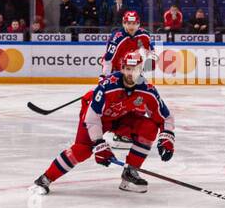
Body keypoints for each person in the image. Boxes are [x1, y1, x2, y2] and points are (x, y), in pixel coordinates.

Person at [30, 51, 174, 196]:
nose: (131, 73)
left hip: (121, 117)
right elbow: (92, 118)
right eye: (128, 69)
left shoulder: (148, 90)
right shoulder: (107, 86)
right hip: (96, 118)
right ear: (122, 68)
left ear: (141, 69)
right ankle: (45, 179)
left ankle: (130, 173)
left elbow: (165, 117)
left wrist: (167, 138)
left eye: (136, 69)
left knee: (148, 128)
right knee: (82, 150)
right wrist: (99, 144)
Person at [101, 10, 154, 77]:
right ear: (124, 24)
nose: (131, 26)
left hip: (135, 71)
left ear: (138, 24)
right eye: (128, 23)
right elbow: (108, 60)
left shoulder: (145, 35)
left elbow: (150, 52)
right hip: (117, 71)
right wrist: (105, 77)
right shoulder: (116, 38)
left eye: (134, 23)